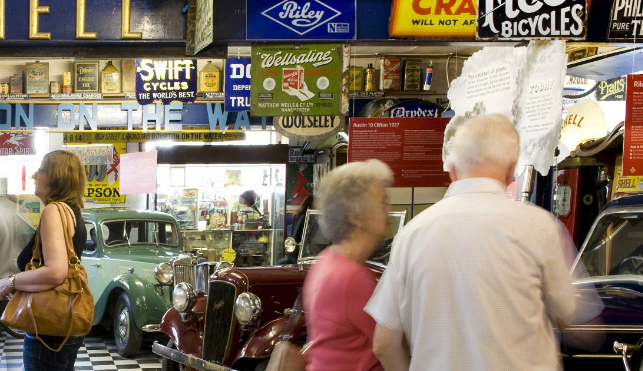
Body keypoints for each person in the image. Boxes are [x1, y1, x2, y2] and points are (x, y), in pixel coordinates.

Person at [365, 114, 603, 371]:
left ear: (453, 169)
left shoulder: (412, 234)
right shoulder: (539, 228)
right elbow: (585, 330)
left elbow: (385, 344)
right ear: (512, 169)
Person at [0, 150, 88, 370]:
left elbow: (56, 272)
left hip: (48, 329)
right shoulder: (71, 212)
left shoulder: (53, 211)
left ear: (55, 177)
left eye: (40, 170)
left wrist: (9, 282)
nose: (34, 176)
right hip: (64, 323)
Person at [303, 159, 392, 371]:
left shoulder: (327, 260)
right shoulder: (353, 278)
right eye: (382, 202)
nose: (389, 209)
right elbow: (388, 344)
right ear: (355, 216)